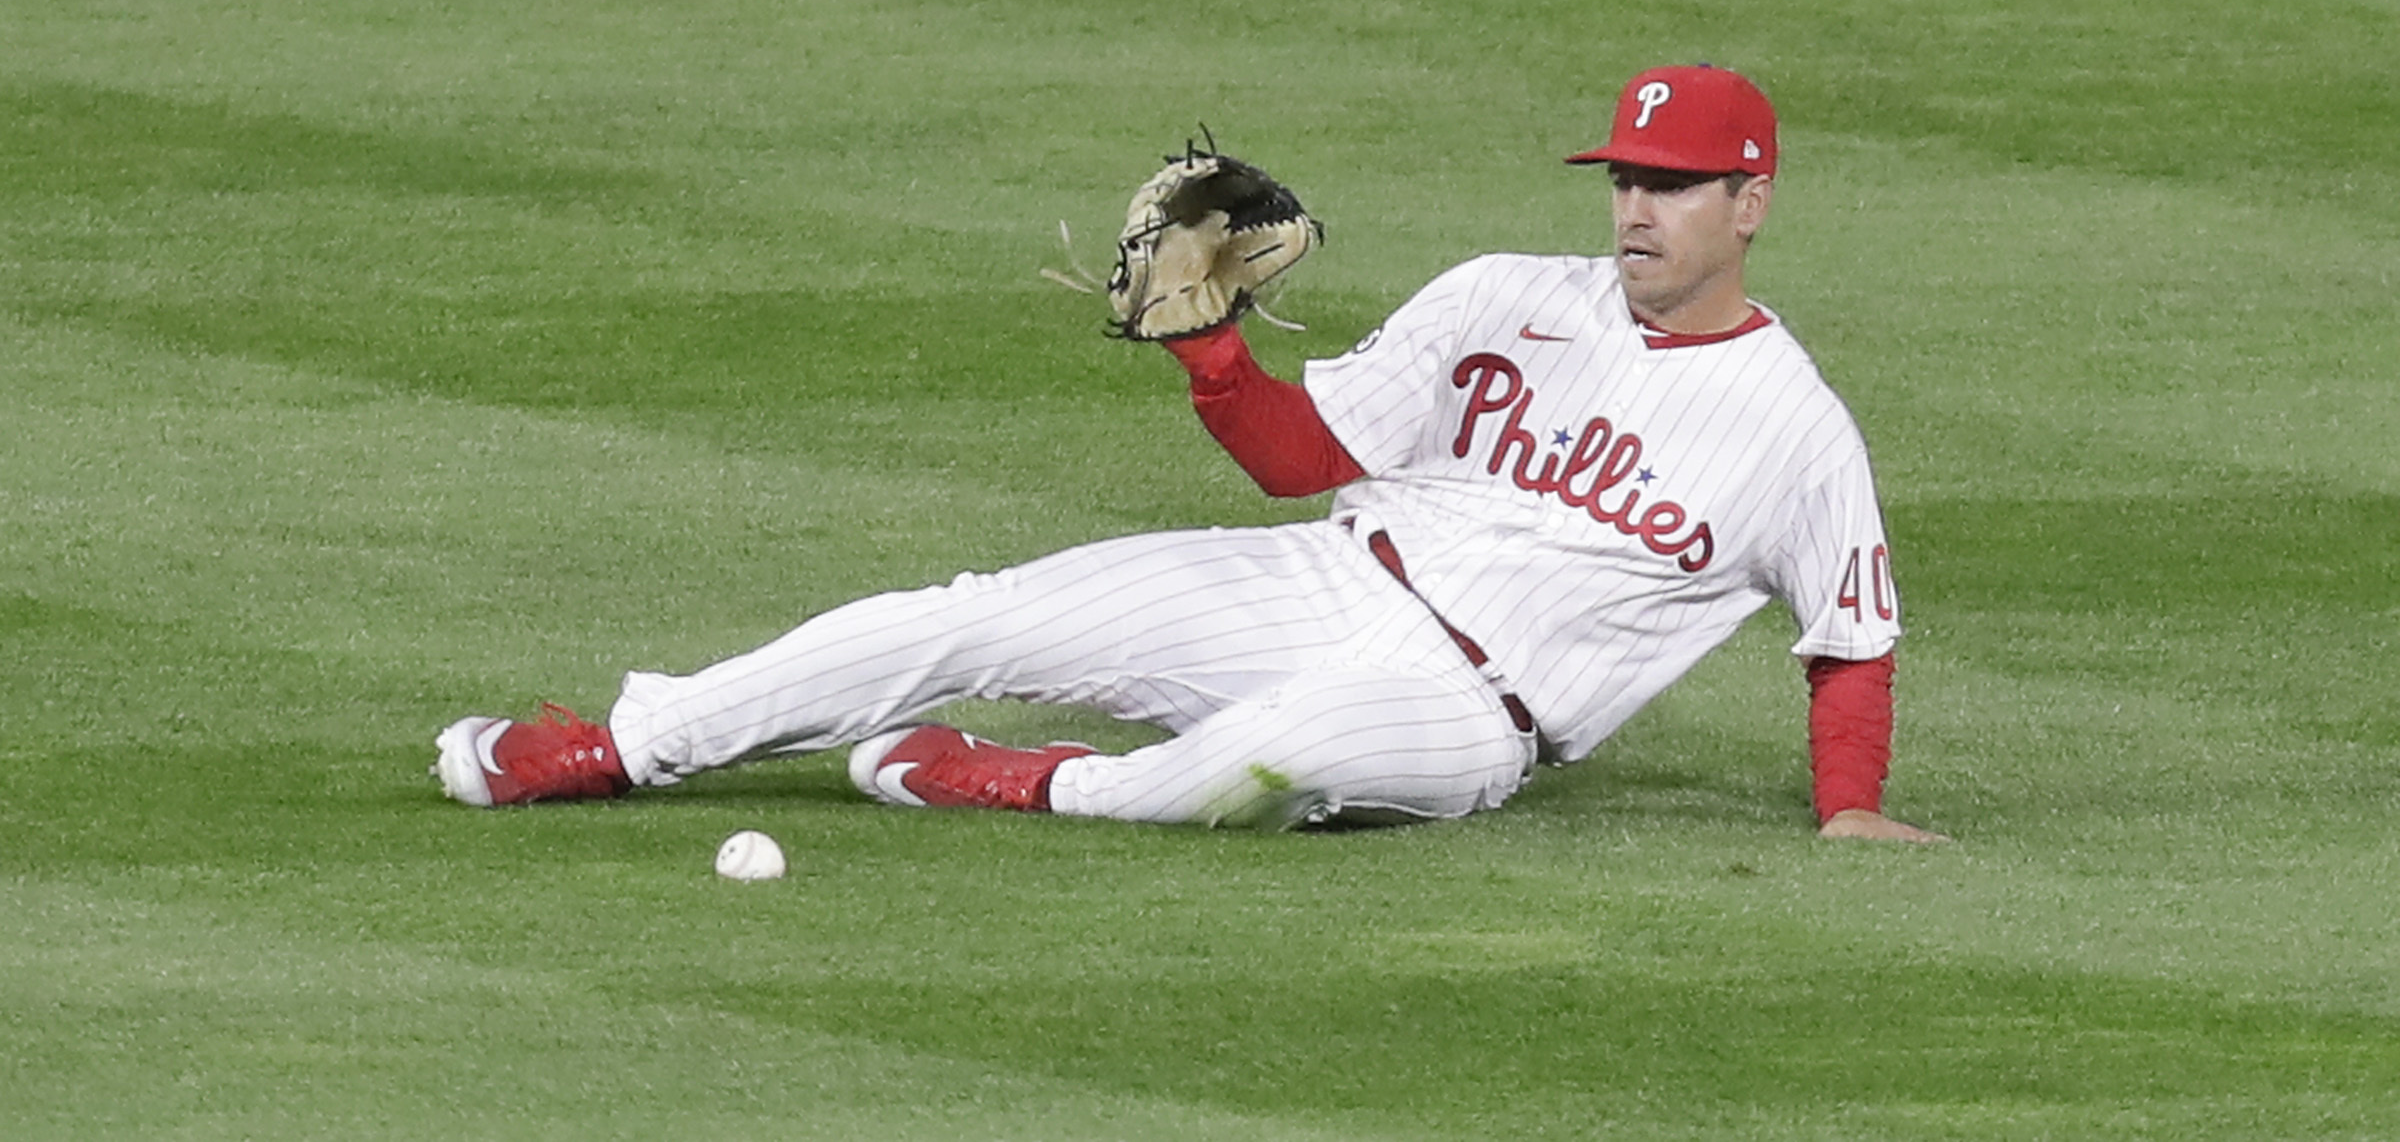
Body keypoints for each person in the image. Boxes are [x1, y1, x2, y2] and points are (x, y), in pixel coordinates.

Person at [435, 64, 1945, 842]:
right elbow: (1305, 460)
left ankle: (1023, 785)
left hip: (1476, 713)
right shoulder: (1504, 296)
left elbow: (1850, 640)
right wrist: (1213, 353)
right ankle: (620, 747)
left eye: (1674, 186)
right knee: (983, 611)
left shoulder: (1796, 427)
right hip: (1322, 578)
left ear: (1750, 203)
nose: (1635, 208)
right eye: (1625, 176)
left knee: (1268, 760)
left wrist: (1850, 810)